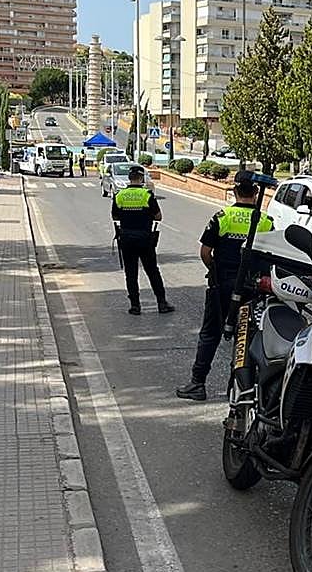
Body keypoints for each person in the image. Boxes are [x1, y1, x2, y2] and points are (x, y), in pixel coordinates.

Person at [176, 175, 273, 401]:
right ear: (256, 194)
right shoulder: (266, 221)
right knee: (247, 336)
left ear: (235, 192)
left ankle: (198, 384)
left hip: (223, 284)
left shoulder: (222, 217)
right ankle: (239, 386)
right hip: (253, 287)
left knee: (210, 334)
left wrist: (216, 270)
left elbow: (205, 253)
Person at [111, 166, 173, 316]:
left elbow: (115, 216)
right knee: (152, 271)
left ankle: (135, 306)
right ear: (141, 179)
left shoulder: (119, 195)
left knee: (131, 273)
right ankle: (162, 303)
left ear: (129, 178)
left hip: (126, 239)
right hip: (145, 239)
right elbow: (158, 217)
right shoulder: (147, 195)